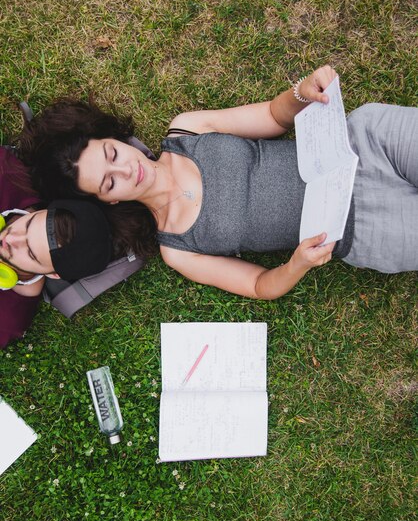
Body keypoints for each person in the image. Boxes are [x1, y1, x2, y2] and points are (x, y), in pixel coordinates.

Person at [18, 65, 417, 300]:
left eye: (112, 154)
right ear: (107, 202)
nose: (125, 170)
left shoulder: (187, 130)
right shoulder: (177, 249)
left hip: (364, 143)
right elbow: (260, 285)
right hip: (362, 228)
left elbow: (274, 117)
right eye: (108, 183)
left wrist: (301, 92)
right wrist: (297, 265)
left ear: (114, 139)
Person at [0, 157, 114, 348]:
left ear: (52, 274)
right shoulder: (8, 174)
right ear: (39, 211)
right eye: (27, 224)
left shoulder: (7, 320)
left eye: (31, 253)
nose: (10, 239)